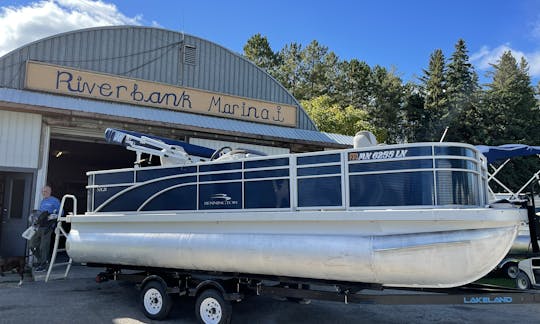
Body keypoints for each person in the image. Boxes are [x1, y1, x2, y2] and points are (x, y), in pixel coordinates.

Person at [29, 185, 60, 272]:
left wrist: (54, 216)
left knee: (43, 247)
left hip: (48, 227)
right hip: (39, 226)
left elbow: (61, 212)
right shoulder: (43, 201)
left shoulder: (55, 200)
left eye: (45, 191)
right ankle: (40, 261)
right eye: (42, 191)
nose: (44, 193)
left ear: (50, 191)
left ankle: (43, 265)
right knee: (32, 245)